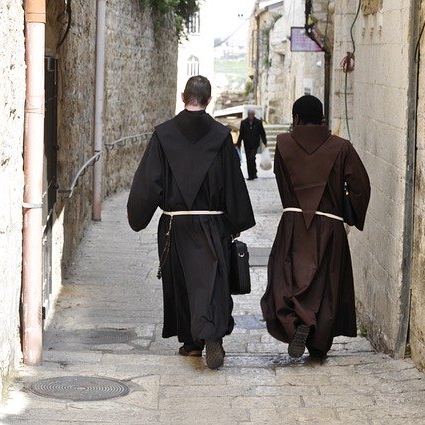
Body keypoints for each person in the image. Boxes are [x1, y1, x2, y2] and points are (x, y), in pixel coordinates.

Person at [127, 75, 255, 370]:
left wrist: (137, 215)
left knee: (182, 282)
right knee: (213, 281)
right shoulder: (222, 136)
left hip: (176, 225)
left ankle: (191, 343)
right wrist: (235, 221)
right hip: (212, 223)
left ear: (183, 96)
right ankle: (213, 334)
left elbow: (150, 181)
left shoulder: (163, 135)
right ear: (208, 100)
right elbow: (232, 182)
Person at [260, 95, 371, 359]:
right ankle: (318, 344)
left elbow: (280, 177)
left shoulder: (284, 143)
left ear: (296, 119)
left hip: (293, 223)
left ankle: (297, 324)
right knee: (325, 284)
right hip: (329, 225)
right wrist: (343, 211)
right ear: (322, 118)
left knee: (287, 278)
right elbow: (360, 188)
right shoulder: (342, 147)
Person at [236, 109, 267, 180]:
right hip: (247, 144)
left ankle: (253, 173)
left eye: (252, 114)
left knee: (252, 157)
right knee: (248, 159)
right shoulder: (243, 123)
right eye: (249, 114)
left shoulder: (258, 122)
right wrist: (238, 143)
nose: (250, 116)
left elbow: (262, 133)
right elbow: (241, 134)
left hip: (255, 144)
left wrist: (265, 142)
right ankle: (251, 175)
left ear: (254, 115)